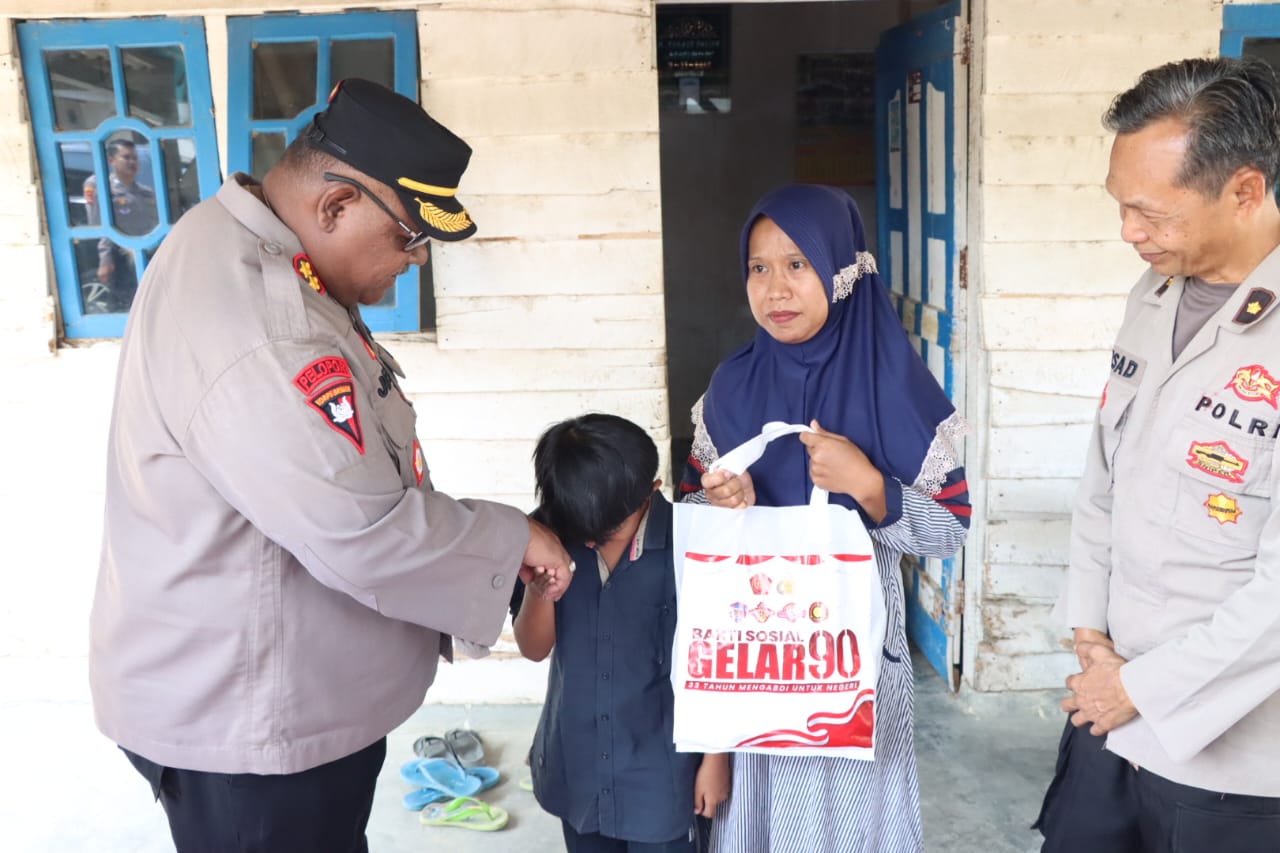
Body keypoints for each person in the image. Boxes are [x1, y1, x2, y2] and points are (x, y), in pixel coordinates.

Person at [89, 78, 573, 852]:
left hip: (270, 688)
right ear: (337, 206)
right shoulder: (265, 325)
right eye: (409, 237)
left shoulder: (243, 242)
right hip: (253, 726)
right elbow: (363, 527)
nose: (415, 262)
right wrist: (513, 537)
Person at [1033, 56, 1280, 852]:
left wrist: (1136, 686)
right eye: (1121, 207)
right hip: (1110, 715)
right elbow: (1106, 474)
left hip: (1234, 763)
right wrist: (1088, 629)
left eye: (1151, 212)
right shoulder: (1157, 292)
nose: (1128, 232)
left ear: (1244, 191)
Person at [681, 184, 970, 853]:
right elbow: (696, 515)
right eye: (759, 267)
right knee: (762, 822)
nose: (776, 288)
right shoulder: (730, 387)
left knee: (853, 826)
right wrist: (722, 501)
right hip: (757, 657)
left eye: (797, 264)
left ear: (841, 269)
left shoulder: (897, 389)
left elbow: (950, 527)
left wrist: (871, 486)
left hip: (856, 661)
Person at [512, 413, 730, 852]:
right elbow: (533, 649)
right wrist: (540, 589)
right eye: (581, 526)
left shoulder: (691, 545)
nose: (590, 538)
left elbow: (719, 661)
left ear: (652, 489)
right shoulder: (548, 533)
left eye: (608, 527)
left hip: (663, 773)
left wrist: (716, 757)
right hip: (577, 763)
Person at [83, 137, 158, 311]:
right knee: (125, 304)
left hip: (147, 254)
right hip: (119, 256)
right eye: (126, 157)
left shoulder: (145, 193)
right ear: (112, 161)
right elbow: (99, 225)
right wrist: (105, 259)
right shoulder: (101, 187)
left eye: (134, 157)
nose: (132, 162)